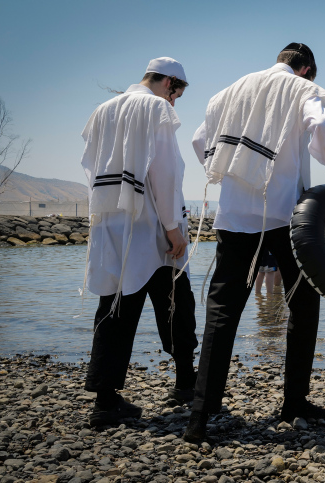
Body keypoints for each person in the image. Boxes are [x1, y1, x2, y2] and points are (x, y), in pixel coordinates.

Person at [185, 43, 325, 441]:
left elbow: (200, 142)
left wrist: (235, 173)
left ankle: (199, 417)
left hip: (233, 215)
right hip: (285, 214)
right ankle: (293, 404)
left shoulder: (230, 91)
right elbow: (321, 130)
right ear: (307, 70)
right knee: (303, 303)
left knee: (223, 312)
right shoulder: (301, 90)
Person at [80, 57, 198, 427]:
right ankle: (184, 383)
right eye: (176, 93)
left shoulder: (103, 109)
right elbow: (164, 171)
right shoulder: (156, 107)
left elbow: (90, 161)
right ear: (168, 83)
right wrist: (172, 227)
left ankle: (105, 401)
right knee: (177, 303)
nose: (174, 102)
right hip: (151, 226)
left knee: (114, 308)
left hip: (111, 223)